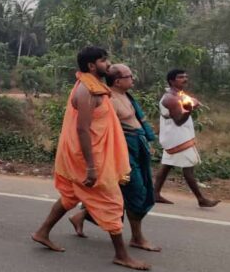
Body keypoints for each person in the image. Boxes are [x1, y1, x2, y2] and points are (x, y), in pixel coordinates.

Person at [31, 47, 149, 271]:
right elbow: (83, 129)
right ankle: (121, 255)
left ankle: (42, 232)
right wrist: (91, 167)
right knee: (113, 202)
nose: (109, 64)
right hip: (89, 158)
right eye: (104, 61)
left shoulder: (96, 87)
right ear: (92, 66)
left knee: (70, 195)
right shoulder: (86, 91)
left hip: (94, 155)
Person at [68, 64, 161, 251]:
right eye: (129, 76)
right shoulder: (106, 99)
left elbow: (135, 121)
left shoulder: (126, 96)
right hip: (122, 150)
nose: (133, 79)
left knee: (129, 192)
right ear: (118, 81)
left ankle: (83, 215)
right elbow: (96, 128)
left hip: (137, 146)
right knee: (136, 192)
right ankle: (136, 238)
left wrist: (146, 142)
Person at [153, 69, 220, 208]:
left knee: (167, 164)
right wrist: (190, 109)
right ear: (172, 81)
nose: (185, 79)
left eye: (185, 76)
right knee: (188, 167)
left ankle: (155, 193)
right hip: (178, 138)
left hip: (173, 136)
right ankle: (201, 199)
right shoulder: (170, 98)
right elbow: (178, 121)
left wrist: (191, 104)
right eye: (180, 77)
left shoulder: (178, 94)